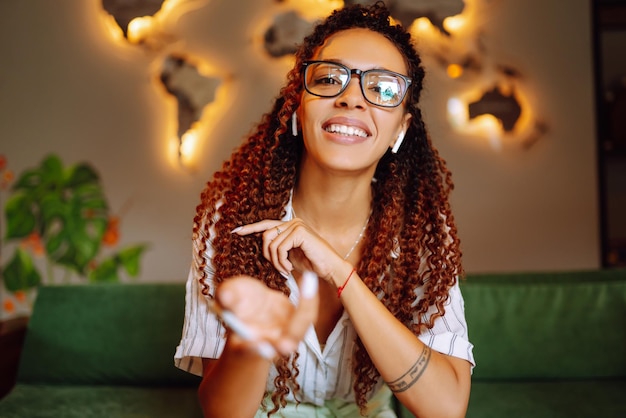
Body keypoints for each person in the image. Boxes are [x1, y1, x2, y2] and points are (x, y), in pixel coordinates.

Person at [175, 2, 475, 417]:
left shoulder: (421, 232)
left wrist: (340, 273)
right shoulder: (230, 220)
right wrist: (252, 342)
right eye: (330, 78)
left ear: (400, 130)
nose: (351, 99)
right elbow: (222, 413)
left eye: (383, 89)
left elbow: (446, 409)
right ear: (298, 107)